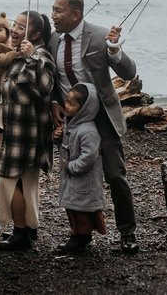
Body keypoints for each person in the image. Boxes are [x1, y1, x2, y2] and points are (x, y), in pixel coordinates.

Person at [50, 0, 139, 254]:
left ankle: (128, 233)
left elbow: (129, 72)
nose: (53, 15)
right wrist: (55, 102)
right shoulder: (54, 39)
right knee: (74, 175)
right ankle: (80, 235)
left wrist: (114, 49)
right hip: (72, 116)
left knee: (115, 175)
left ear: (76, 14)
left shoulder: (100, 36)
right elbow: (56, 79)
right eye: (53, 9)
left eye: (58, 10)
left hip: (103, 118)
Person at [0, 10, 55, 251]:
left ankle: (21, 233)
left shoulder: (40, 55)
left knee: (9, 180)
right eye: (15, 24)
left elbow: (45, 87)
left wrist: (30, 58)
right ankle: (27, 227)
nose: (14, 30)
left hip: (29, 132)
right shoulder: (18, 54)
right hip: (15, 129)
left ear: (35, 34)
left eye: (21, 26)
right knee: (24, 182)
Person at [57, 83, 107, 254]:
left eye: (72, 104)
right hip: (71, 177)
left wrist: (71, 166)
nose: (66, 106)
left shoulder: (88, 131)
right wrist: (56, 138)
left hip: (83, 178)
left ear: (85, 108)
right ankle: (77, 233)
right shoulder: (70, 124)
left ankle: (81, 236)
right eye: (66, 101)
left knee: (82, 210)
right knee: (72, 207)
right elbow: (65, 146)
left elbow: (89, 157)